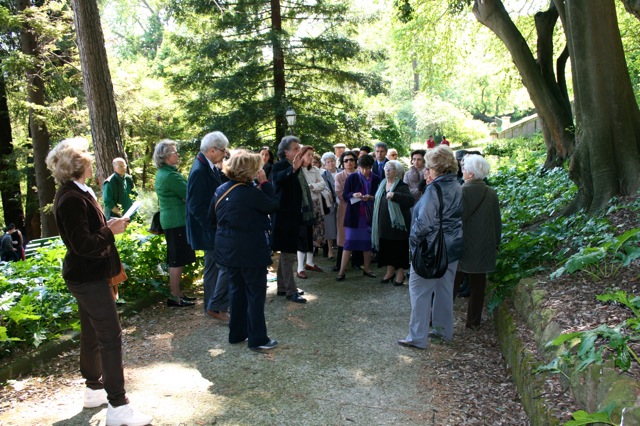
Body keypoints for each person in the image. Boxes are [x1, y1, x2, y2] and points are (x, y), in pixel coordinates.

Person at [45, 137, 152, 426]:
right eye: (86, 156)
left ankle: (94, 389)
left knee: (93, 333)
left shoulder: (79, 191)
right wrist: (110, 230)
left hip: (88, 275)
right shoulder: (70, 198)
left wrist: (108, 227)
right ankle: (119, 407)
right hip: (87, 276)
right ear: (77, 164)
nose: (92, 159)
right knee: (110, 337)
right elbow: (82, 244)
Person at [212, 150, 279, 350]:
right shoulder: (251, 193)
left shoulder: (221, 189)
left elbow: (211, 217)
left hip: (228, 249)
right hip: (250, 250)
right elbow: (274, 205)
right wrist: (266, 183)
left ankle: (237, 333)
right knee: (255, 293)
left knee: (236, 290)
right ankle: (258, 338)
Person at [398, 145, 462, 349]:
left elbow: (424, 223)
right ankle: (443, 331)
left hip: (431, 248)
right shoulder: (457, 185)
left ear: (435, 167)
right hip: (452, 247)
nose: (425, 169)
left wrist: (413, 240)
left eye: (428, 166)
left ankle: (417, 337)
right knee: (444, 290)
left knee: (419, 290)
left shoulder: (435, 189)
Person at [453, 154, 502, 329]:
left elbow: (455, 219)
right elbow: (497, 221)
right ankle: (473, 322)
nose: (463, 171)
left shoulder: (461, 191)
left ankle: (438, 319)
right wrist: (496, 242)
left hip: (461, 245)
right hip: (483, 246)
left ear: (471, 174)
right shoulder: (491, 192)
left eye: (465, 169)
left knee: (451, 284)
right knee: (478, 286)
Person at [186, 131, 230, 321]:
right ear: (212, 150)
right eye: (222, 150)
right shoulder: (199, 170)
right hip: (207, 230)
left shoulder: (208, 166)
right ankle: (215, 306)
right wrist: (212, 228)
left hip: (210, 229)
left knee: (214, 267)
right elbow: (195, 206)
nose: (224, 154)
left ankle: (212, 306)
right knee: (222, 266)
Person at [154, 140, 196, 307]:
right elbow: (189, 193)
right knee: (176, 259)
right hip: (175, 221)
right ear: (164, 157)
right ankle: (175, 296)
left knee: (178, 258)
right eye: (174, 152)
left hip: (174, 220)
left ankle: (177, 294)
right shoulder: (169, 176)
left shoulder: (167, 173)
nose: (177, 154)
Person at [270, 136, 308, 304]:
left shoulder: (295, 167)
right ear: (285, 152)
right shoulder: (280, 166)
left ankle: (282, 287)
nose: (298, 151)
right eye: (295, 148)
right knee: (288, 255)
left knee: (287, 253)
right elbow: (278, 179)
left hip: (291, 216)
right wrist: (293, 169)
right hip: (284, 218)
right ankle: (290, 291)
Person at [335, 154, 380, 281]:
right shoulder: (353, 177)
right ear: (358, 167)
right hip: (354, 215)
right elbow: (345, 195)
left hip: (368, 215)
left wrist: (370, 197)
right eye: (362, 168)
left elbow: (379, 195)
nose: (365, 171)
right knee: (348, 243)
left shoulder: (376, 178)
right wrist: (354, 194)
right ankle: (341, 271)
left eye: (368, 168)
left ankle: (367, 268)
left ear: (371, 167)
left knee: (367, 244)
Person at [372, 160, 414, 286]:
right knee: (387, 248)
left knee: (399, 248)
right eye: (386, 168)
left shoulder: (402, 186)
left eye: (390, 168)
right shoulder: (382, 183)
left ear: (398, 172)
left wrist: (395, 195)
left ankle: (400, 273)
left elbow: (410, 201)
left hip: (398, 226)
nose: (387, 170)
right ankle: (390, 272)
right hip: (384, 224)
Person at [296, 146, 326, 278]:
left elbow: (322, 184)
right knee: (303, 235)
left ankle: (310, 262)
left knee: (313, 234)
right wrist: (313, 187)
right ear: (301, 155)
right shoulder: (297, 170)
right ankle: (300, 267)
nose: (311, 157)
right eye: (309, 155)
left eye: (312, 155)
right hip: (304, 207)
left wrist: (312, 186)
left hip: (316, 205)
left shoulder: (315, 170)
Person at [333, 150, 357, 272]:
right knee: (343, 236)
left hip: (359, 210)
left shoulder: (360, 174)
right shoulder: (339, 176)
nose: (349, 162)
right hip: (344, 208)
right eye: (346, 160)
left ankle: (356, 262)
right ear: (342, 163)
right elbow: (339, 193)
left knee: (358, 234)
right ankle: (339, 264)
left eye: (351, 160)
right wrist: (355, 197)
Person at [320, 152, 338, 260]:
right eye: (328, 162)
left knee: (341, 226)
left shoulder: (341, 172)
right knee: (330, 225)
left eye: (332, 161)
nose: (330, 163)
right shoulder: (323, 175)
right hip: (329, 203)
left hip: (341, 202)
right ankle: (330, 250)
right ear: (325, 164)